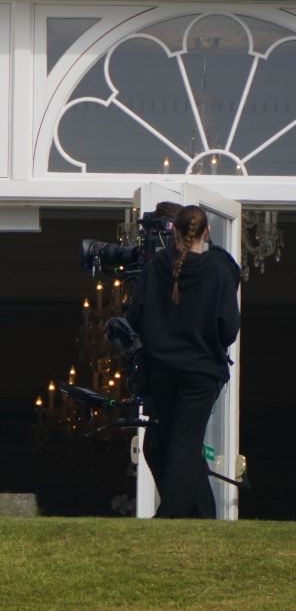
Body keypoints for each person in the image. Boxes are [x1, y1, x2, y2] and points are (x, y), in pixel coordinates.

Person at [128, 205, 240, 518]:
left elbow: (136, 316)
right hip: (201, 373)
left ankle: (199, 514)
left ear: (174, 232)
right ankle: (174, 514)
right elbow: (229, 328)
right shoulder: (217, 272)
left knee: (173, 439)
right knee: (184, 441)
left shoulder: (155, 268)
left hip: (161, 370)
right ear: (208, 232)